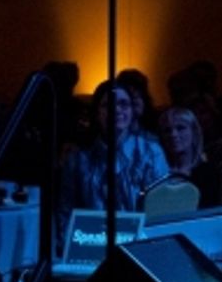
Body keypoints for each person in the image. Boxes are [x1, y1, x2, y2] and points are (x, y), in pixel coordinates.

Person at [57, 81, 169, 242]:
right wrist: (67, 244)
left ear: (132, 111)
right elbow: (66, 209)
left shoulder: (151, 152)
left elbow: (160, 208)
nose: (116, 110)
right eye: (107, 105)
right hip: (92, 241)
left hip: (140, 241)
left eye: (123, 104)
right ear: (96, 112)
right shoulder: (78, 158)